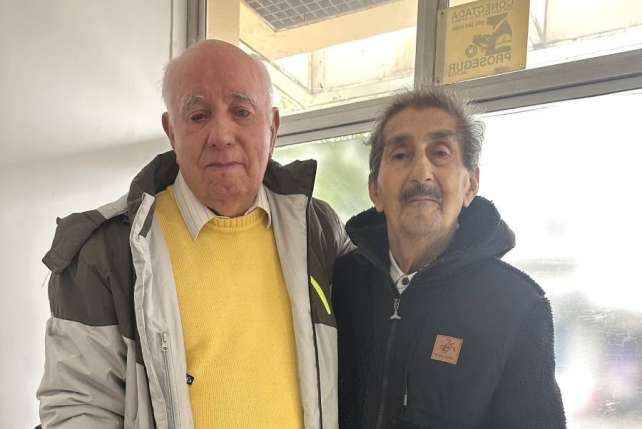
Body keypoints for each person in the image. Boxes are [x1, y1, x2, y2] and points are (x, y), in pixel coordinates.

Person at [37, 40, 349, 429]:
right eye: (198, 115)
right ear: (171, 131)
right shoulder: (107, 252)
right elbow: (78, 408)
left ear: (273, 127)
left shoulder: (318, 230)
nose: (221, 134)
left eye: (241, 112)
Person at [332, 87, 566, 429]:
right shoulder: (339, 285)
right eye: (401, 154)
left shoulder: (516, 306)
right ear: (375, 190)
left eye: (440, 153)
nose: (421, 172)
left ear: (471, 184)